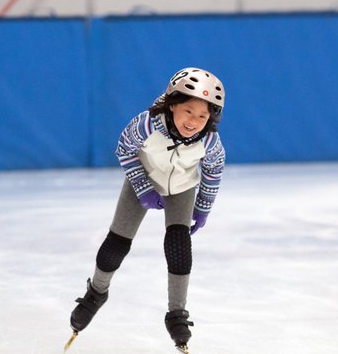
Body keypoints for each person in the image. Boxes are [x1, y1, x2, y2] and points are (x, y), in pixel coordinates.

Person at [69, 67, 226, 351]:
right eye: (188, 111)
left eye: (203, 116)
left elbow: (214, 170)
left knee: (179, 246)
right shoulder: (147, 124)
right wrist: (143, 188)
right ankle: (96, 292)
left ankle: (177, 312)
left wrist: (203, 207)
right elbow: (124, 149)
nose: (194, 121)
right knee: (116, 244)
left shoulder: (209, 140)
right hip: (142, 177)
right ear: (172, 104)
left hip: (182, 186)